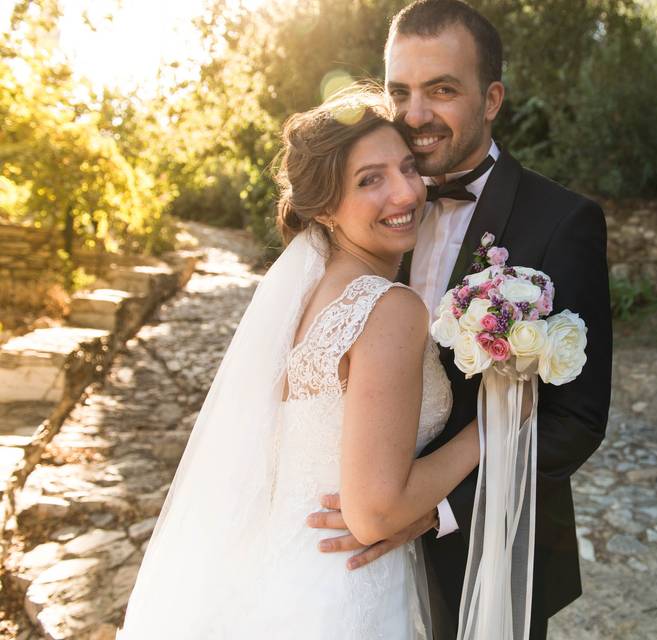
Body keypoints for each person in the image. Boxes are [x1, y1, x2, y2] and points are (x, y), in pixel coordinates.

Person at [116, 87, 480, 639]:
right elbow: (375, 515)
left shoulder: (308, 293)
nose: (406, 192)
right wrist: (492, 429)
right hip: (344, 593)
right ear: (324, 208)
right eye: (370, 180)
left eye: (407, 167)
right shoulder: (389, 307)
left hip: (278, 576)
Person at [309, 2, 614, 638]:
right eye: (400, 92)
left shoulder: (563, 222)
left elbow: (576, 419)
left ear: (492, 97)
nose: (415, 116)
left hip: (490, 547)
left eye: (442, 90)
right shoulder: (366, 207)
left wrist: (438, 511)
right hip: (349, 564)